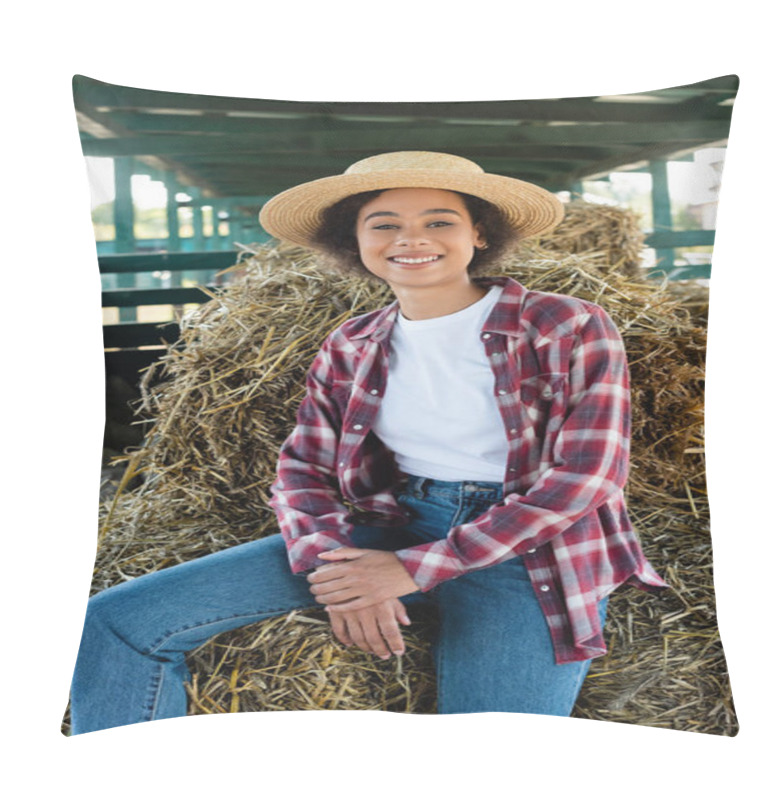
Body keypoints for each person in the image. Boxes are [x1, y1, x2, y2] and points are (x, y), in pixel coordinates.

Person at [68, 151, 667, 735]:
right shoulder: (353, 342)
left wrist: (407, 572)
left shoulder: (566, 323)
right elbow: (303, 466)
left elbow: (586, 478)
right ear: (352, 241)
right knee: (116, 623)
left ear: (479, 234)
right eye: (384, 225)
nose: (412, 239)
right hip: (399, 520)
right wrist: (334, 569)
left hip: (529, 551)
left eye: (439, 221)